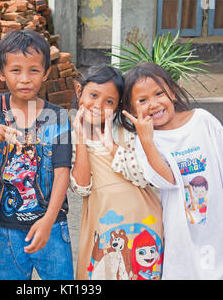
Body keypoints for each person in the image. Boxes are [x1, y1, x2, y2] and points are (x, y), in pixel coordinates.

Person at [120, 62, 223, 279]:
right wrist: (147, 141)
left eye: (158, 94)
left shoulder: (203, 121)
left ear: (172, 93)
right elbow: (167, 180)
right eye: (142, 100)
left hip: (218, 226)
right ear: (132, 110)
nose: (153, 104)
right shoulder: (145, 142)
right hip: (180, 237)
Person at [0, 30, 74, 280]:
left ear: (45, 73)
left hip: (52, 228)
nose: (25, 78)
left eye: (34, 70)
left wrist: (48, 220)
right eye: (15, 70)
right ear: (1, 72)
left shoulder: (58, 117)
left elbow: (62, 172)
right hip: (3, 230)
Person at [69, 65, 164, 280]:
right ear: (79, 92)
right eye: (93, 95)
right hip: (103, 225)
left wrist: (111, 147)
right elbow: (81, 188)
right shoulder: (74, 138)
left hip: (144, 220)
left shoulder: (128, 132)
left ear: (118, 105)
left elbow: (144, 176)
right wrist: (82, 138)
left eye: (109, 101)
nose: (99, 105)